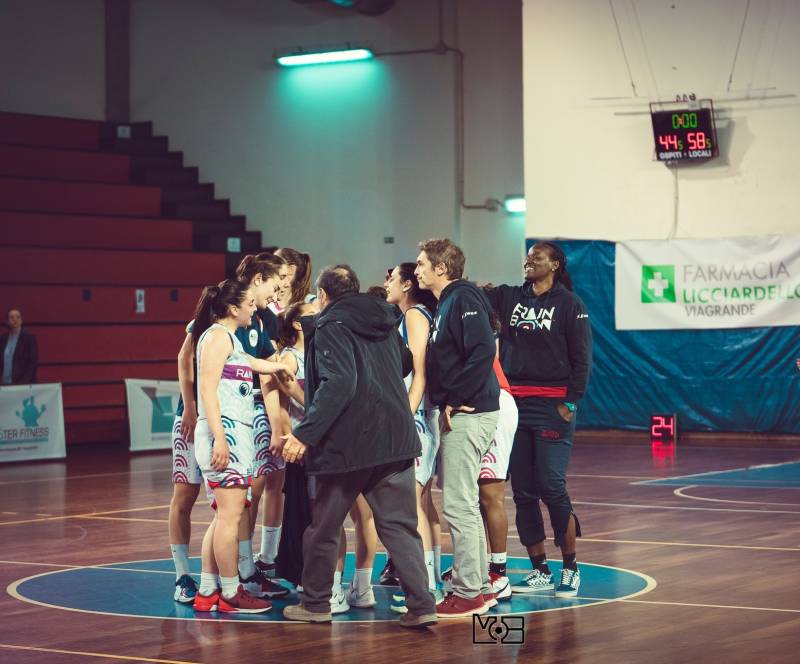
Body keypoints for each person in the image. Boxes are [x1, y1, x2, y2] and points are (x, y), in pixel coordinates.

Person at [280, 265, 437, 629]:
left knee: (323, 529)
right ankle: (421, 604)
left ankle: (316, 603)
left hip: (348, 445)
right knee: (400, 527)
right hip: (395, 439)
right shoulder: (384, 318)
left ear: (322, 295)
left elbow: (339, 383)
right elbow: (401, 364)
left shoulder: (329, 326)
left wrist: (306, 434)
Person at [167, 254, 286, 605]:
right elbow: (206, 390)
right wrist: (219, 436)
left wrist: (283, 365)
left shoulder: (232, 338)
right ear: (234, 307)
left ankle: (207, 589)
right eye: (249, 304)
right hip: (223, 436)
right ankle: (232, 590)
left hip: (233, 435)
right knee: (229, 515)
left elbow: (255, 362)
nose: (254, 309)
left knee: (225, 515)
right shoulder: (216, 336)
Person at [484, 241, 592, 598]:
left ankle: (571, 567)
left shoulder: (569, 305)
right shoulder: (511, 297)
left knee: (552, 486)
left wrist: (571, 404)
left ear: (555, 264)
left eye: (537, 258)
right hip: (516, 405)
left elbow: (582, 359)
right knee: (524, 491)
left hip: (553, 407)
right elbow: (473, 296)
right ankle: (540, 569)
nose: (529, 262)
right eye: (527, 257)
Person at [414, 239, 500, 618]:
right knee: (463, 504)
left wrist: (454, 398)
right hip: (464, 412)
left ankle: (467, 593)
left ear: (441, 268)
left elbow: (484, 349)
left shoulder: (463, 298)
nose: (416, 271)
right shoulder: (448, 301)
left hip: (469, 413)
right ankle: (479, 586)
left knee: (458, 506)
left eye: (421, 264)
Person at [380, 263, 444, 613]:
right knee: (423, 502)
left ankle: (426, 588)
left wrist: (406, 414)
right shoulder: (413, 315)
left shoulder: (415, 316)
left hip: (416, 415)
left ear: (406, 284)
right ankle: (430, 582)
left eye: (391, 279)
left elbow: (420, 372)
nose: (386, 283)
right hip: (421, 413)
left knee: (413, 502)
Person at [1, 308, 38, 385]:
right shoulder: (3, 338)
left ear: (21, 320)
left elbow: (32, 363)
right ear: (7, 321)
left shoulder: (29, 338)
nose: (15, 319)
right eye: (12, 317)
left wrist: (24, 382)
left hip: (22, 385)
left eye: (18, 317)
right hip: (5, 384)